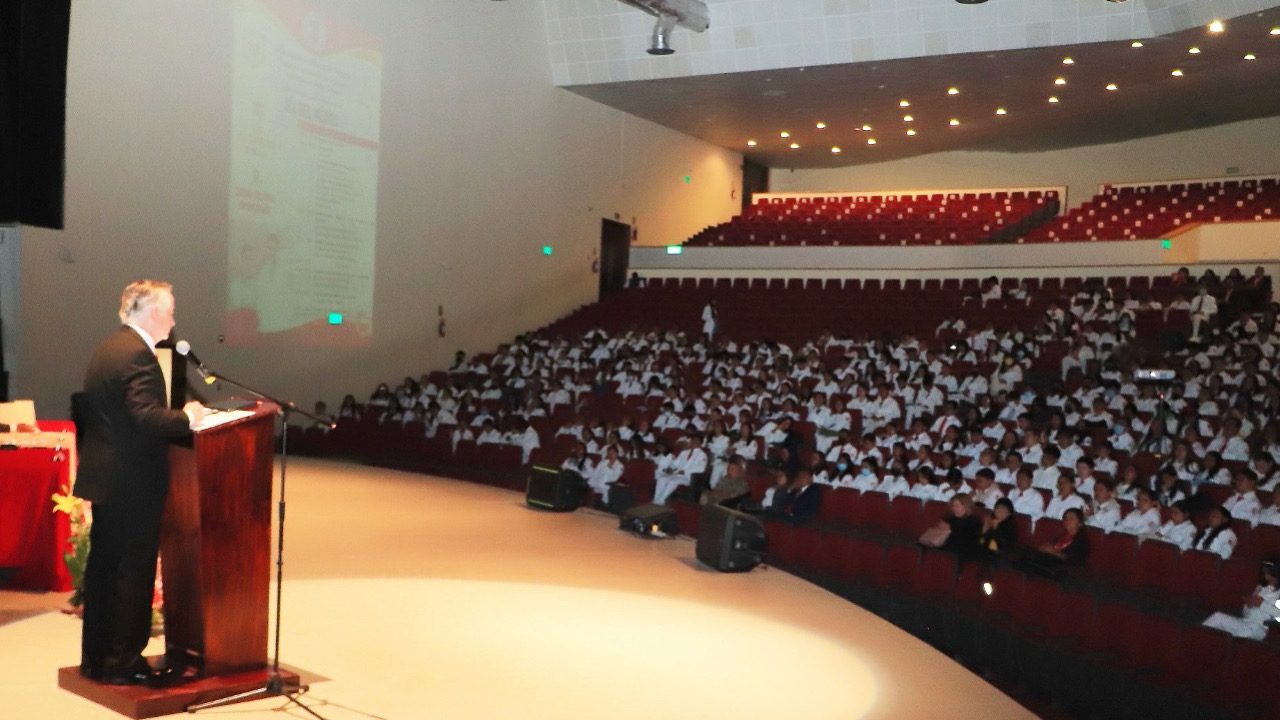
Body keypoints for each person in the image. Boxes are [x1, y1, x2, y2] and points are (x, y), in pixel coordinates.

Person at [76, 280, 205, 686]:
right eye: (169, 311)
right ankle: (122, 663)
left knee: (104, 572)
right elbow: (144, 416)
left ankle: (96, 658)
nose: (173, 320)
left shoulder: (108, 347)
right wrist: (188, 418)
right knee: (131, 572)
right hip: (131, 483)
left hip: (106, 479)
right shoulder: (137, 355)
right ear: (151, 313)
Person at [1201, 560, 1280, 640]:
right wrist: (1248, 605)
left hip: (1260, 629)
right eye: (1265, 573)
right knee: (1217, 628)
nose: (1266, 577)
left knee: (1217, 618)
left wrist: (1261, 604)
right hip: (1246, 622)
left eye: (1269, 574)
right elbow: (1247, 611)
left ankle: (1197, 639)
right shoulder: (1261, 587)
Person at [1021, 508, 1090, 577]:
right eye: (1065, 519)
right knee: (1025, 552)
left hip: (1060, 566)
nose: (1067, 522)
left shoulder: (1081, 540)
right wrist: (1044, 548)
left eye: (1071, 519)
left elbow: (1072, 560)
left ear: (1080, 523)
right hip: (1048, 560)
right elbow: (1048, 546)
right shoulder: (1062, 535)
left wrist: (1053, 552)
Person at [978, 497, 1018, 562]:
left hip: (1000, 556)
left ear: (1009, 513)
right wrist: (984, 529)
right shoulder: (990, 521)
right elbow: (981, 541)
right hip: (985, 552)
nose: (1000, 511)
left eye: (1003, 510)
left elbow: (998, 545)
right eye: (998, 508)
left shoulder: (1010, 526)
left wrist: (995, 529)